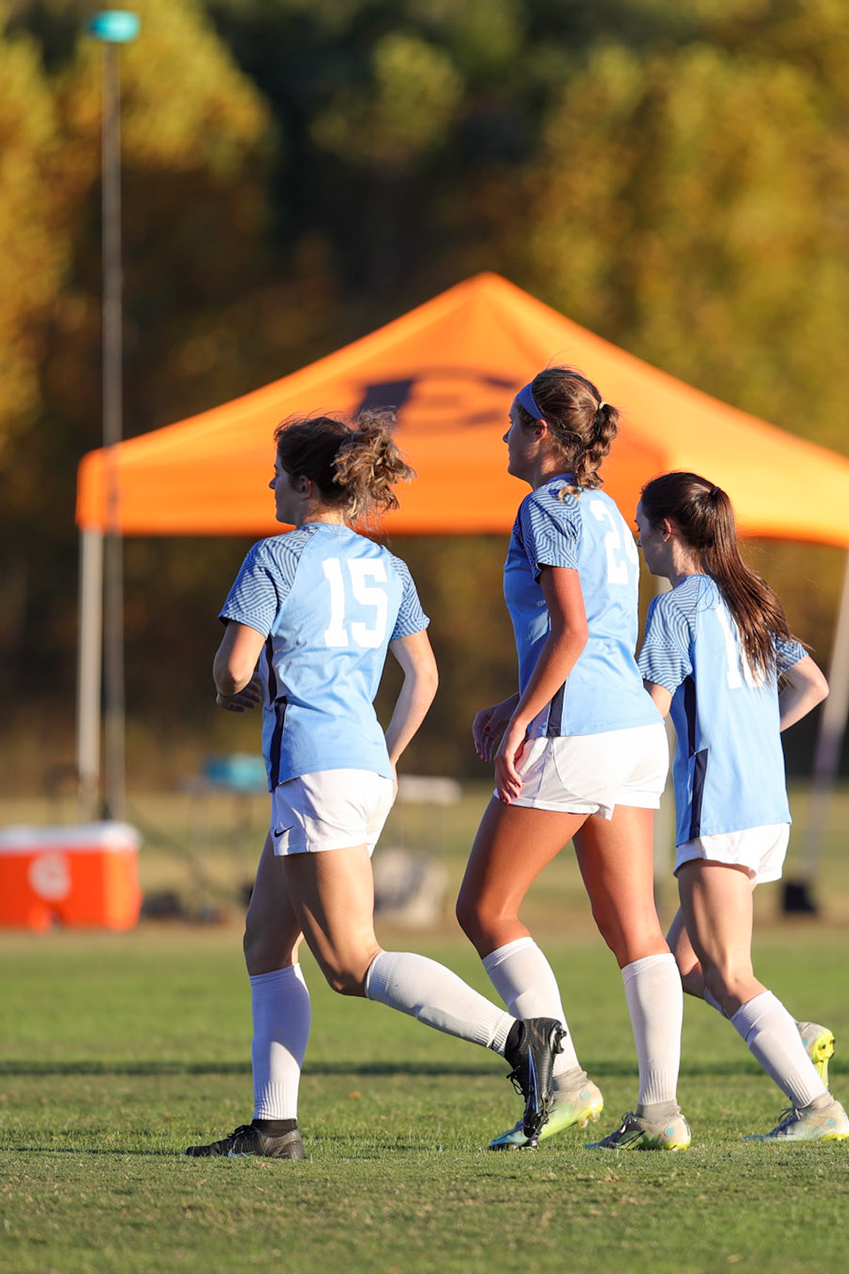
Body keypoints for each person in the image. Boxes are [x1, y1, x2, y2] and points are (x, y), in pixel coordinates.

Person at [187, 409, 563, 1161]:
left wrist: (232, 691)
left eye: (274, 473)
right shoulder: (387, 568)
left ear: (301, 483)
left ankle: (520, 1039)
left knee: (350, 963)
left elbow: (234, 667)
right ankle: (272, 1127)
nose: (267, 484)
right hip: (358, 768)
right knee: (266, 942)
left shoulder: (275, 558)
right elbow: (422, 676)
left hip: (313, 771)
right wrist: (386, 759)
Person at [455, 368, 688, 1152]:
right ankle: (660, 1111)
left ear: (544, 433)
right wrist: (513, 700)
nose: (505, 435)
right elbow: (591, 638)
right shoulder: (605, 512)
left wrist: (522, 718)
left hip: (578, 730)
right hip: (631, 732)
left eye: (514, 422)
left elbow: (574, 633)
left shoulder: (544, 505)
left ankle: (564, 1083)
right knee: (634, 927)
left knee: (484, 910)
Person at [634, 472, 849, 1143]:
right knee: (682, 967)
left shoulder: (676, 608)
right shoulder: (748, 599)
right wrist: (755, 734)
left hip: (716, 803)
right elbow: (812, 684)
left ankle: (816, 1107)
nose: (639, 540)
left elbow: (652, 714)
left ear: (667, 529)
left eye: (641, 526)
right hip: (763, 804)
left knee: (727, 974)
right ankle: (787, 1031)